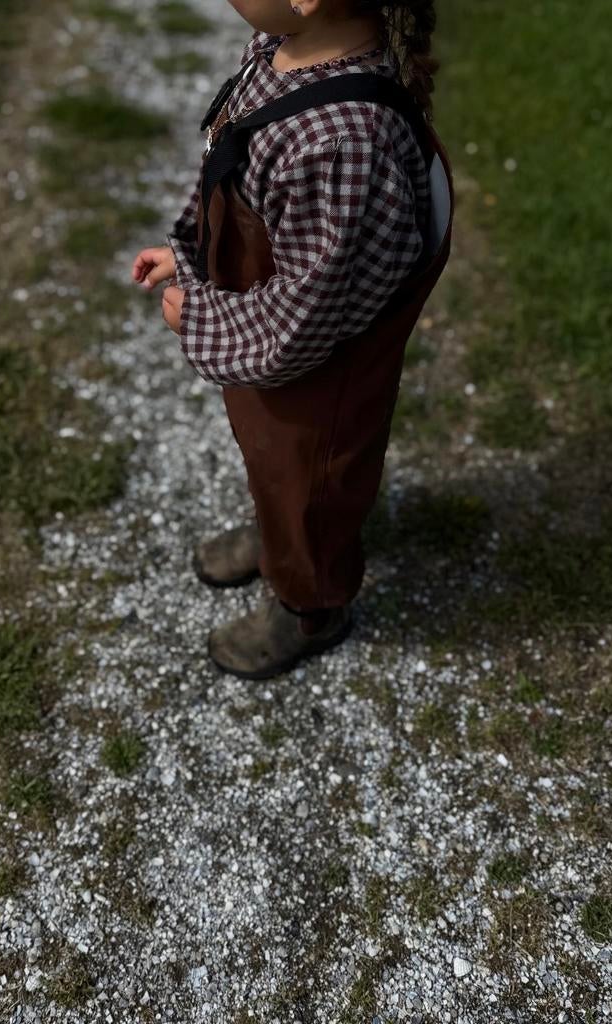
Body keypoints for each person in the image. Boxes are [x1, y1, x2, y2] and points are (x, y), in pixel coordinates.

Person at [131, 0, 452, 681]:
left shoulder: (341, 141)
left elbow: (306, 315)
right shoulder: (281, 45)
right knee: (272, 464)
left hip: (314, 375)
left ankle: (309, 602)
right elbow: (233, 166)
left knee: (312, 487)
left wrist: (202, 318)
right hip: (268, 341)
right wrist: (188, 252)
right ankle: (278, 535)